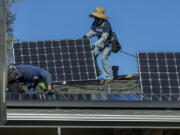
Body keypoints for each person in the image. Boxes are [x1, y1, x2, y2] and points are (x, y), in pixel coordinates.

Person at [83, 7, 114, 83]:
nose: (96, 19)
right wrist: (85, 37)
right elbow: (92, 32)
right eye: (95, 18)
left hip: (108, 43)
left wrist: (95, 45)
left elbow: (104, 37)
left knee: (103, 57)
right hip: (100, 43)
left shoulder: (106, 24)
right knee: (92, 55)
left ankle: (109, 77)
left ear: (101, 18)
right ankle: (97, 72)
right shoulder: (95, 23)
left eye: (97, 18)